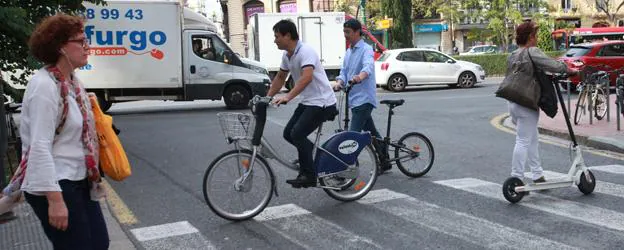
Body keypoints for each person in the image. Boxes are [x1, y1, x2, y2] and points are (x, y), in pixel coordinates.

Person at [16, 13, 109, 249]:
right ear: (60, 47)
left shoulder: (72, 83)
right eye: (81, 41)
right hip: (56, 183)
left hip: (78, 179)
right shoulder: (44, 87)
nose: (87, 47)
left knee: (99, 243)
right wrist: (55, 201)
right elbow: (39, 146)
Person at [267, 19, 337, 188]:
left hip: (323, 103)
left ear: (287, 36)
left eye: (277, 36)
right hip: (309, 102)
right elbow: (280, 78)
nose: (274, 40)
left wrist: (287, 97)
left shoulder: (306, 51)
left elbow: (307, 77)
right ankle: (310, 157)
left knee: (297, 134)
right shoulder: (287, 55)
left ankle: (309, 174)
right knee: (288, 133)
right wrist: (266, 97)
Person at [506, 21, 577, 183]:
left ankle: (537, 174)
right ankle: (516, 177)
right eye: (535, 35)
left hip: (513, 103)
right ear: (530, 37)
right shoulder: (532, 51)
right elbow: (553, 65)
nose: (537, 38)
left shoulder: (513, 54)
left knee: (531, 138)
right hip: (526, 103)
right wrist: (570, 70)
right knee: (523, 140)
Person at [332, 19, 390, 173]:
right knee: (371, 132)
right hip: (354, 99)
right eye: (344, 32)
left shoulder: (366, 49)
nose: (345, 35)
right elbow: (343, 72)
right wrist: (339, 82)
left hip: (364, 99)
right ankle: (385, 159)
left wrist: (359, 77)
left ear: (357, 32)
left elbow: (368, 67)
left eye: (348, 32)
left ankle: (344, 169)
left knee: (353, 136)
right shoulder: (349, 51)